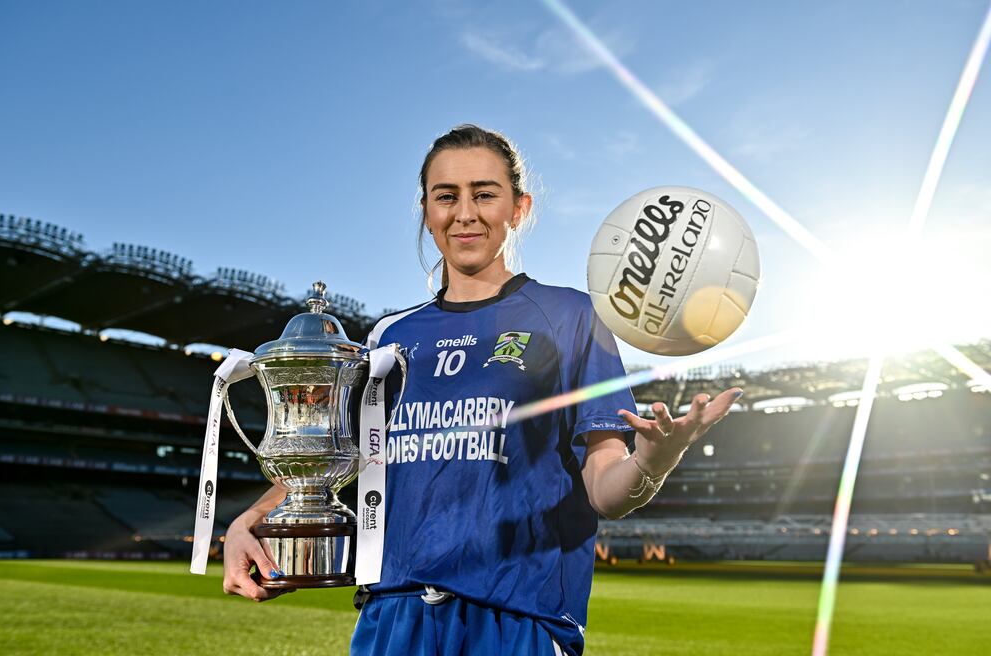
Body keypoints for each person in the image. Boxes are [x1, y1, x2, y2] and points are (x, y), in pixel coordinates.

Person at [223, 125, 741, 655]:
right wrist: (250, 521)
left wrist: (654, 460)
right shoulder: (388, 338)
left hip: (517, 623)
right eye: (446, 196)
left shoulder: (572, 316)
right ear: (426, 210)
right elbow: (335, 458)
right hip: (390, 619)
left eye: (485, 194)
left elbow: (604, 490)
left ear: (519, 207)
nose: (465, 212)